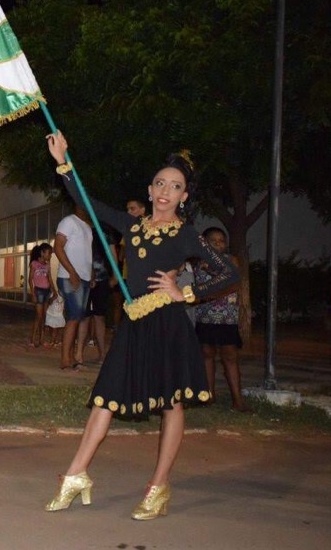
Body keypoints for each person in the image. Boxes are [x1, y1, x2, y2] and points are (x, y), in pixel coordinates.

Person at [44, 131, 238, 520]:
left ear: (184, 197)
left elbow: (228, 272)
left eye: (176, 186)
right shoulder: (131, 227)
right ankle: (76, 474)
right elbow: (87, 202)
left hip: (167, 326)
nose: (167, 190)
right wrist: (64, 162)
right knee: (105, 397)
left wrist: (185, 293)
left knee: (172, 403)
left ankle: (158, 487)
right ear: (150, 190)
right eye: (161, 183)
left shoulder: (186, 234)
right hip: (133, 325)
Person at [194, 227, 249, 412]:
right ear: (205, 243)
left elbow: (234, 285)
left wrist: (209, 296)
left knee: (230, 357)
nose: (218, 243)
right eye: (213, 240)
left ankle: (238, 400)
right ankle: (209, 396)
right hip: (205, 316)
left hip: (226, 318)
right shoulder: (199, 262)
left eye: (221, 240)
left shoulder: (231, 260)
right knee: (207, 355)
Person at [54, 202, 94, 370]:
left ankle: (70, 357)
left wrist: (91, 273)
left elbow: (87, 252)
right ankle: (65, 359)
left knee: (76, 317)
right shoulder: (68, 221)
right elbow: (58, 247)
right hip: (71, 277)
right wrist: (72, 272)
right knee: (74, 317)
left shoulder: (87, 227)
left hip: (83, 278)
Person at [112, 198, 147, 330]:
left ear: (142, 211)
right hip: (129, 275)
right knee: (130, 307)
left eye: (132, 209)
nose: (128, 212)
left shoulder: (150, 229)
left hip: (144, 277)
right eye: (127, 209)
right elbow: (121, 256)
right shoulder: (128, 231)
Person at [87, 234, 117, 362]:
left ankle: (102, 354)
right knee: (83, 317)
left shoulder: (104, 233)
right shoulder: (84, 230)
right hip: (85, 278)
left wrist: (115, 275)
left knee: (99, 317)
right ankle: (78, 354)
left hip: (102, 279)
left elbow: (113, 254)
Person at [29, 242, 56, 348]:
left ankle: (41, 339)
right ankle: (32, 339)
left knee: (44, 316)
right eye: (49, 253)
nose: (50, 256)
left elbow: (50, 278)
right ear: (42, 253)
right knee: (39, 316)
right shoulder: (34, 263)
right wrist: (33, 293)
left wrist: (54, 291)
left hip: (47, 291)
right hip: (38, 291)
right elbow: (30, 279)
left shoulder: (47, 265)